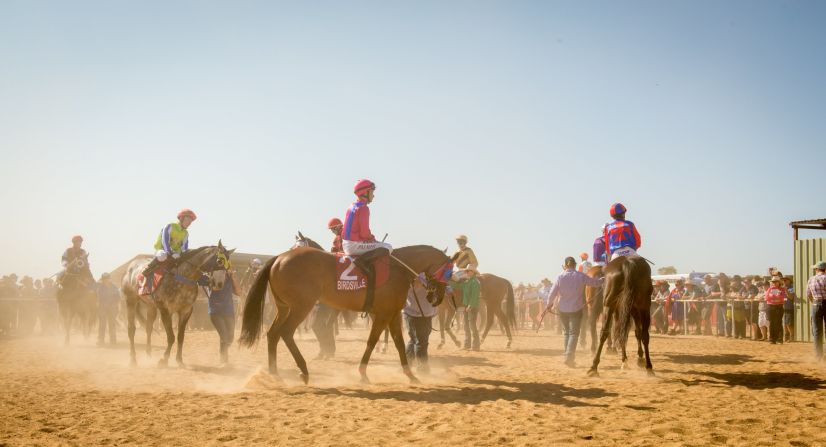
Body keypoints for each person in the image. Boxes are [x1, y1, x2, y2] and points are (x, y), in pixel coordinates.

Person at [342, 179, 392, 312]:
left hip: (347, 243)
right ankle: (362, 262)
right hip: (355, 245)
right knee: (387, 247)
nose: (373, 195)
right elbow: (364, 233)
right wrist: (373, 239)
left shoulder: (351, 206)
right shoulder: (364, 208)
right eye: (372, 192)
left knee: (381, 246)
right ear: (366, 192)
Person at [545, 256, 604, 367]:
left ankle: (568, 356)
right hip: (576, 309)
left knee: (567, 333)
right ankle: (569, 356)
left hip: (562, 309)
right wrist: (604, 279)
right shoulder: (580, 276)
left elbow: (552, 293)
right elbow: (595, 283)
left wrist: (548, 305)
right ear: (575, 265)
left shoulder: (559, 276)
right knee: (574, 334)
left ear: (565, 265)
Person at [312, 218, 346, 359]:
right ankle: (326, 350)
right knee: (322, 324)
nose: (332, 231)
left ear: (338, 228)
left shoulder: (340, 239)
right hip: (333, 285)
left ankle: (327, 350)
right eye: (331, 229)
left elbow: (338, 257)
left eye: (333, 229)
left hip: (334, 287)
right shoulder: (342, 237)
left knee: (320, 324)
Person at [142, 209, 197, 282]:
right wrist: (171, 253)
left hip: (175, 254)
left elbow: (184, 248)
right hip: (162, 250)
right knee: (162, 255)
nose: (189, 223)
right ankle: (148, 269)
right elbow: (165, 242)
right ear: (181, 218)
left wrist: (181, 255)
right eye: (188, 220)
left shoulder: (186, 233)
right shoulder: (170, 226)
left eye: (191, 221)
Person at [207, 263, 241, 364]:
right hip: (215, 312)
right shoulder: (212, 278)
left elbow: (239, 292)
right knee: (224, 336)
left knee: (230, 337)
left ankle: (223, 354)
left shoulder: (231, 279)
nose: (226, 270)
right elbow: (216, 288)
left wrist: (234, 278)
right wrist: (220, 276)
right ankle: (224, 360)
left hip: (229, 312)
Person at [404, 273, 438, 373]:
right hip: (414, 313)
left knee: (415, 339)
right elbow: (414, 286)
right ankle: (422, 369)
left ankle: (407, 365)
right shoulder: (412, 276)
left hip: (427, 314)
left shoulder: (431, 277)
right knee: (421, 341)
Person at [455, 266, 482, 351]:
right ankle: (467, 345)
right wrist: (449, 280)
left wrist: (470, 305)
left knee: (472, 325)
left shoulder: (475, 282)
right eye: (467, 271)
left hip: (472, 306)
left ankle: (476, 346)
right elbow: (458, 286)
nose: (468, 272)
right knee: (466, 325)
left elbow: (475, 295)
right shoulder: (467, 282)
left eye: (469, 271)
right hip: (466, 305)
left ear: (473, 272)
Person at [807, 261, 826, 360]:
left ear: (817, 269)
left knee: (817, 331)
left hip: (816, 304)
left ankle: (819, 355)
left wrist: (814, 302)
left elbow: (808, 294)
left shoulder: (811, 279)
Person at [96, 272, 120, 346]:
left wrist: (115, 306)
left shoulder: (114, 287)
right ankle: (101, 340)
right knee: (102, 325)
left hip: (112, 308)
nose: (106, 280)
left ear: (109, 279)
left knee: (112, 325)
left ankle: (113, 341)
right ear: (103, 280)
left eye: (107, 279)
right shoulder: (100, 287)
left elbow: (118, 298)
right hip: (103, 308)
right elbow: (98, 298)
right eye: (104, 279)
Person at [765, 277, 787, 344]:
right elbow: (766, 298)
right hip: (771, 306)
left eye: (775, 282)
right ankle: (772, 339)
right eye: (773, 282)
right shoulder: (769, 289)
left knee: (778, 323)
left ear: (779, 282)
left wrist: (776, 297)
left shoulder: (782, 289)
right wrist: (777, 297)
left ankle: (779, 339)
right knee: (771, 323)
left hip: (778, 307)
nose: (774, 283)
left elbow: (784, 298)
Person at [783, 276, 797, 342]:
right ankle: (786, 336)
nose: (784, 281)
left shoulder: (792, 288)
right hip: (784, 308)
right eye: (783, 280)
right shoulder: (784, 288)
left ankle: (792, 337)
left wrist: (786, 290)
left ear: (789, 280)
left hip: (790, 307)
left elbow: (791, 297)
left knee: (789, 323)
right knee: (785, 323)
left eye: (785, 280)